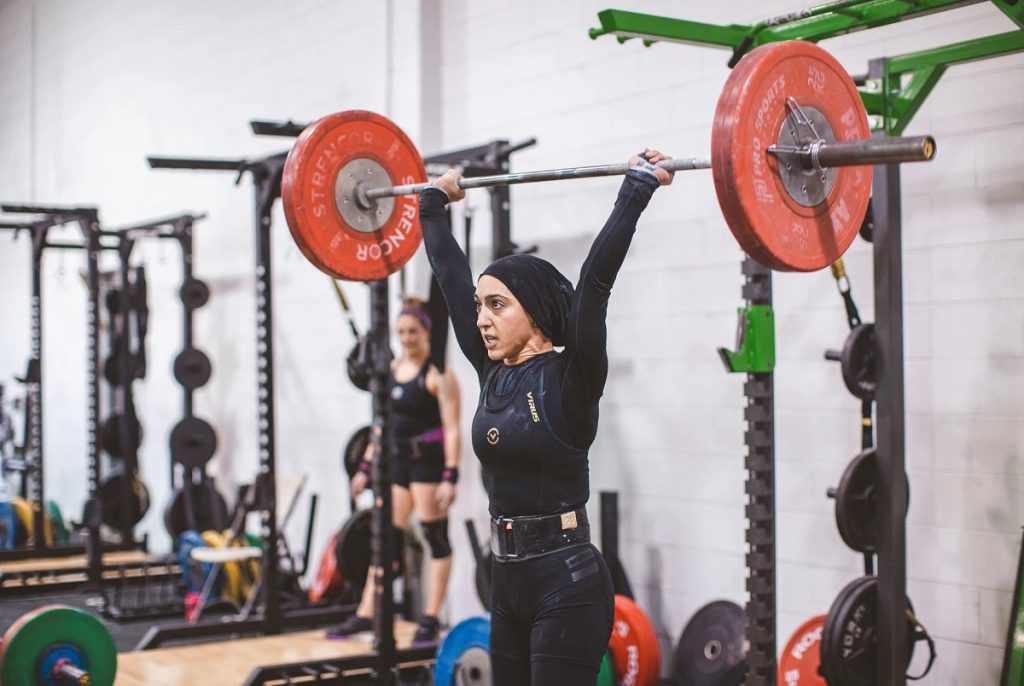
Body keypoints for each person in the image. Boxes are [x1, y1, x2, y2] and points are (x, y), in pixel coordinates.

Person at [419, 151, 673, 685]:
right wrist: (434, 203)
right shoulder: (491, 371)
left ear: (533, 312)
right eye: (480, 306)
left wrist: (637, 187)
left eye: (497, 305)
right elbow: (449, 274)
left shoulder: (571, 379)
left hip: (568, 583)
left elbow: (595, 281)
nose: (481, 319)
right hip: (506, 581)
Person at [330, 297, 461, 645]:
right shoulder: (390, 371)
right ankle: (366, 613)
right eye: (401, 331)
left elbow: (452, 428)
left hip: (427, 466)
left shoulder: (438, 375)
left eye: (413, 331)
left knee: (435, 538)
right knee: (385, 540)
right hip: (397, 465)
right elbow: (380, 426)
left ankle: (430, 617)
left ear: (426, 331)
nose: (406, 338)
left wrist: (451, 475)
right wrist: (364, 468)